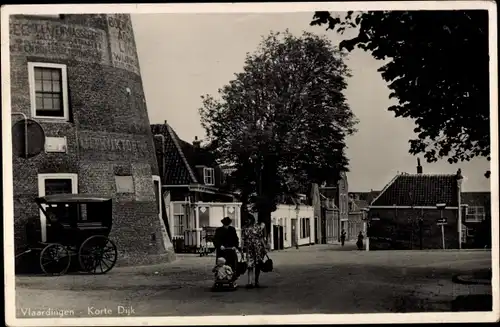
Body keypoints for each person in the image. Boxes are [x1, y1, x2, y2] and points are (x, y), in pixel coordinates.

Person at [242, 214, 267, 288]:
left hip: (257, 248)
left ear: (251, 219)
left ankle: (256, 281)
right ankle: (250, 282)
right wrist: (242, 249)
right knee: (250, 265)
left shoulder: (257, 227)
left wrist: (264, 247)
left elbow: (261, 238)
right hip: (249, 249)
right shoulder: (245, 228)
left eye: (248, 219)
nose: (247, 221)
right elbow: (243, 239)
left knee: (257, 265)